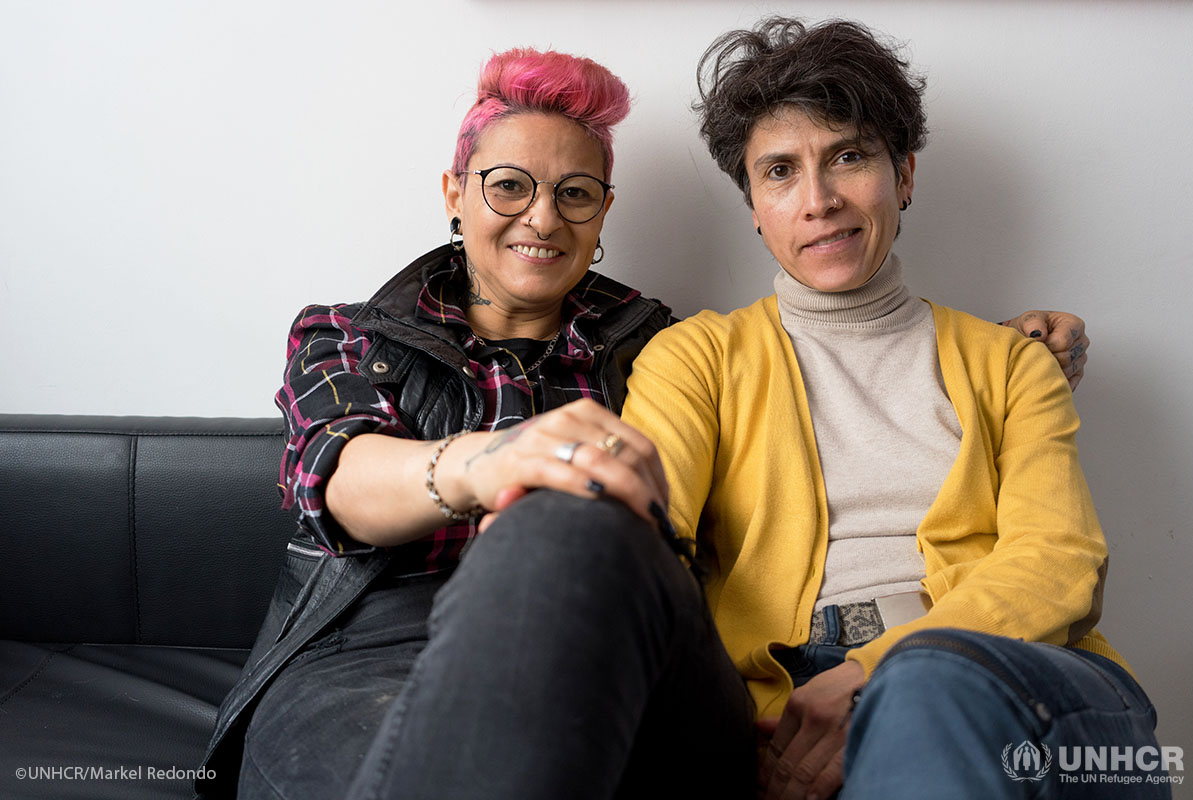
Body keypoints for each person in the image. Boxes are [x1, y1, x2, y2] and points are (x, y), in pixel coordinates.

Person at [198, 46, 1093, 799]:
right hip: (371, 646)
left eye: (576, 195)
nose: (541, 218)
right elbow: (340, 478)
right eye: (508, 185)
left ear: (602, 217)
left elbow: (1052, 553)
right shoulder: (352, 333)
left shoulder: (648, 341)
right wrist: (488, 463)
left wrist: (1018, 357)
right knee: (567, 514)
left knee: (576, 523)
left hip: (596, 643)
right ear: (455, 192)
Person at [618, 17, 1163, 800]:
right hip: (785, 698)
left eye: (848, 156)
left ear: (903, 174)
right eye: (779, 172)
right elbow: (646, 534)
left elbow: (1062, 564)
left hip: (1017, 676)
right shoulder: (696, 359)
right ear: (753, 207)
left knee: (924, 699)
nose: (819, 200)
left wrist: (879, 672)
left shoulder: (1013, 365)